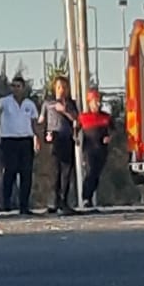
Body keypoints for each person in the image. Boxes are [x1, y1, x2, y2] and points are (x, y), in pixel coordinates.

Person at [0, 76, 40, 215]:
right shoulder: (5, 102)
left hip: (26, 140)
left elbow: (34, 123)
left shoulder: (29, 104)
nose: (15, 89)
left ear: (23, 88)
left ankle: (24, 205)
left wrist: (37, 138)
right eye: (13, 86)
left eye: (18, 86)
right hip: (9, 140)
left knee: (26, 173)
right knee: (10, 171)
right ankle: (6, 203)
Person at [38, 76, 81, 215]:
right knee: (53, 171)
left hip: (67, 138)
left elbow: (77, 119)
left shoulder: (71, 104)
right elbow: (41, 120)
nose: (61, 90)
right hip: (53, 138)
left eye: (64, 87)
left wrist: (64, 111)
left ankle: (64, 201)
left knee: (66, 172)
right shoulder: (48, 103)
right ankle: (53, 202)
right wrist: (37, 136)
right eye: (59, 87)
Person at [78, 90, 113, 210]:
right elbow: (75, 129)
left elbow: (113, 130)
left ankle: (90, 196)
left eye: (99, 102)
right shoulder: (83, 117)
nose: (97, 104)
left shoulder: (106, 117)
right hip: (89, 150)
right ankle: (85, 197)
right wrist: (75, 138)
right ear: (89, 103)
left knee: (96, 174)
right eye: (95, 102)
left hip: (102, 150)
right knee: (90, 172)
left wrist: (109, 137)